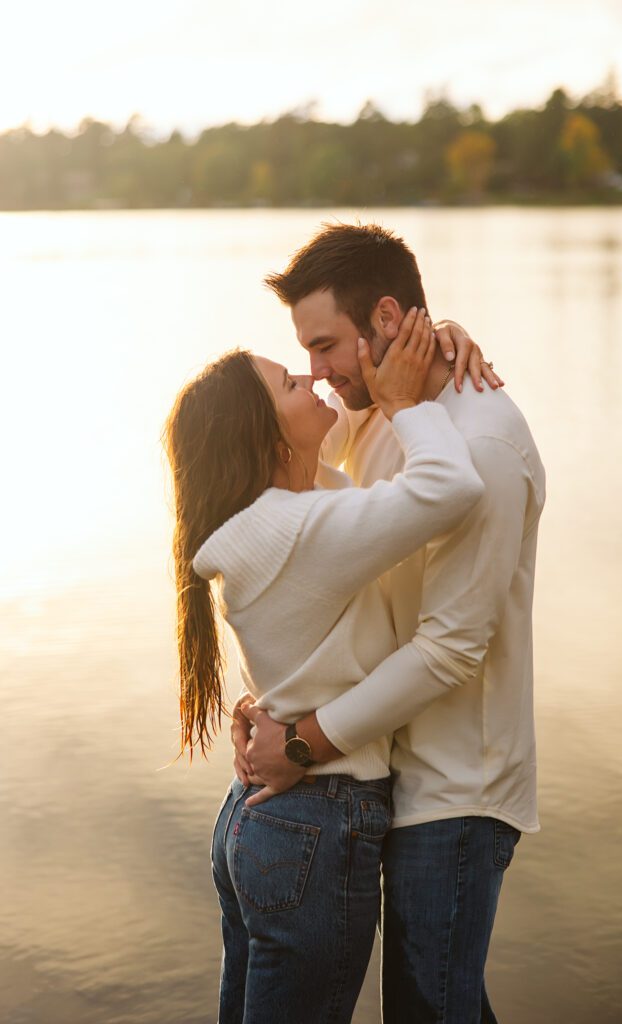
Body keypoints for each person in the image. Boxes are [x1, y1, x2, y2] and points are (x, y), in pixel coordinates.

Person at [235, 222, 546, 1024]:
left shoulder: (483, 445)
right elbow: (288, 456)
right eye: (305, 354)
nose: (318, 373)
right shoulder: (384, 410)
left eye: (325, 345)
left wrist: (302, 742)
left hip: (456, 791)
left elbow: (449, 650)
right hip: (384, 775)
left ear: (381, 318)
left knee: (428, 1010)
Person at [163, 308, 487, 1024]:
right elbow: (448, 489)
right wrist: (407, 401)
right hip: (316, 818)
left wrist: (433, 349)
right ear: (266, 437)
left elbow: (351, 447)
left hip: (264, 823)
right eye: (289, 383)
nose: (312, 377)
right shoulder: (294, 530)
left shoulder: (280, 515)